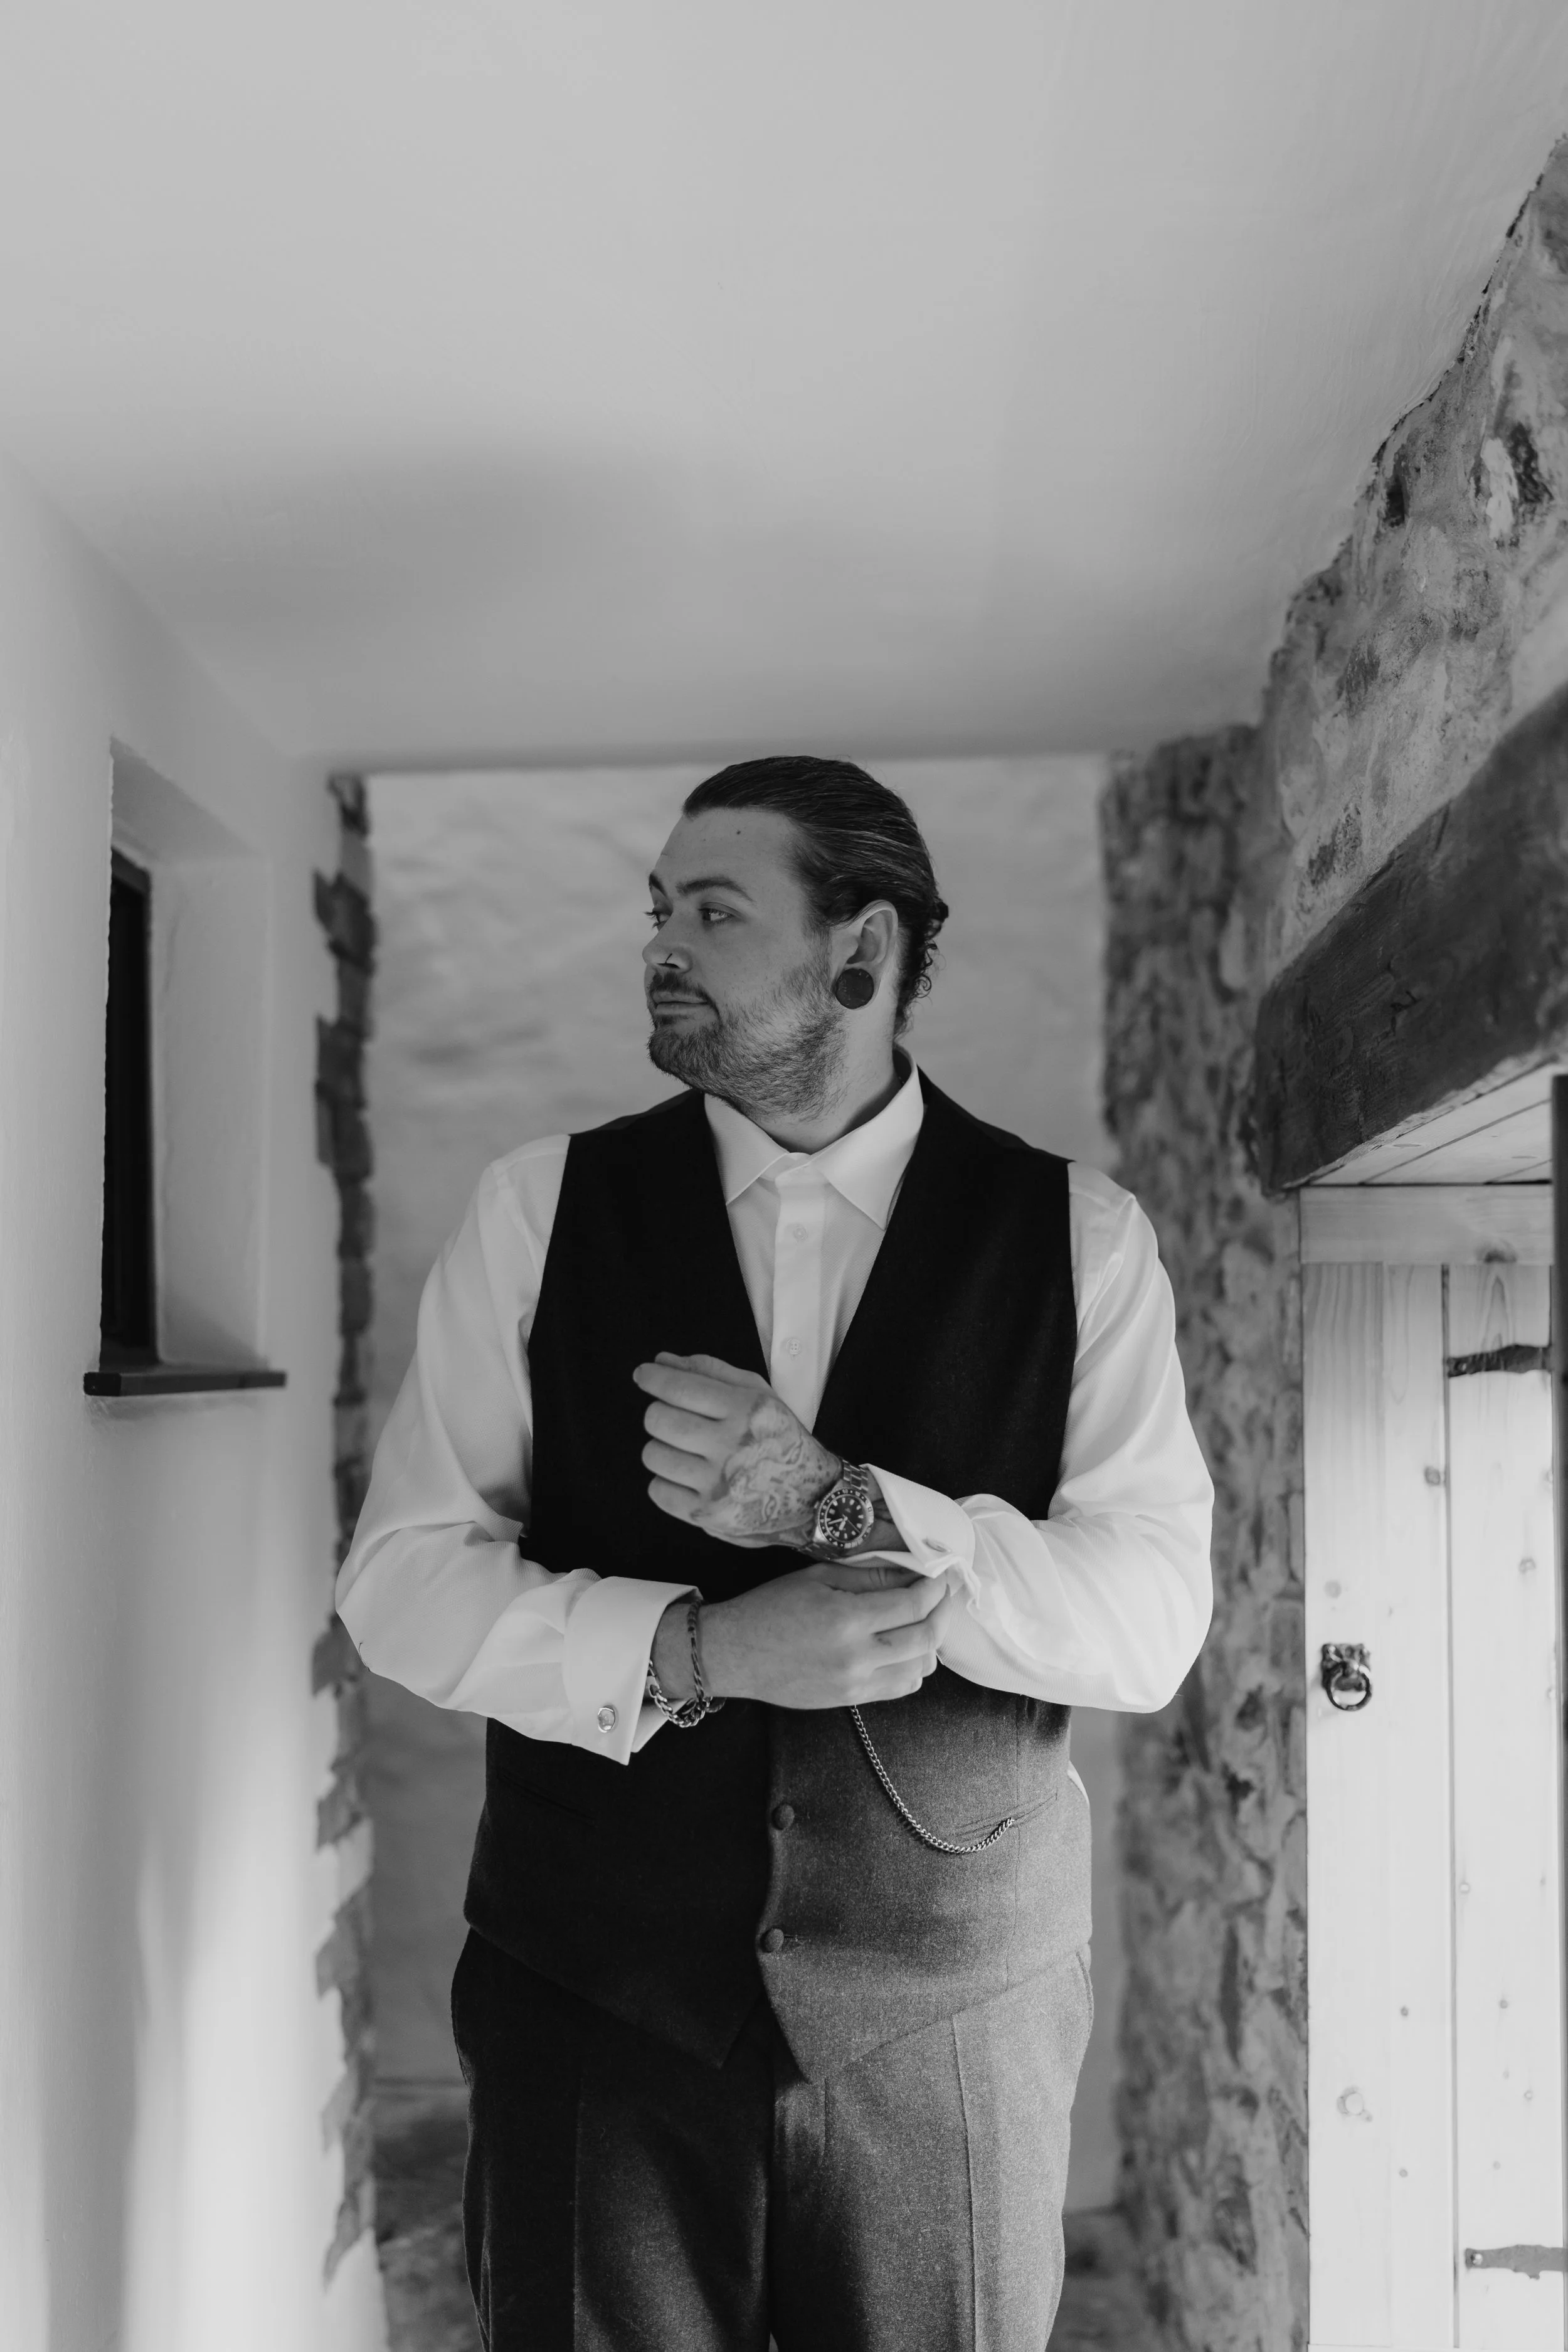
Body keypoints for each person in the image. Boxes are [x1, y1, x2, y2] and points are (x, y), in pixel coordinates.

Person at [336, 756, 1213, 2351]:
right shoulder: (540, 1212)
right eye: (656, 912)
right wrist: (697, 1653)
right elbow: (398, 1578)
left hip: (953, 2020)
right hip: (589, 1994)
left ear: (861, 954)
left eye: (713, 912)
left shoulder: (1081, 1237)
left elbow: (1146, 1625)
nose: (659, 944)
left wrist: (840, 1507)